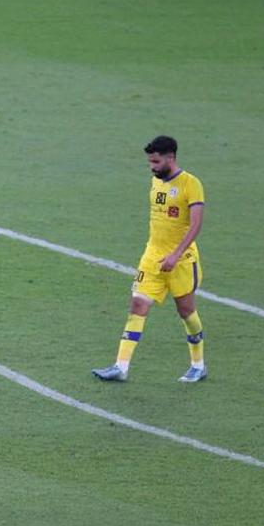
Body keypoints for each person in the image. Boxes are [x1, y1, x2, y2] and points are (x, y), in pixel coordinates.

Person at [93, 136, 207, 383]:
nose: (152, 167)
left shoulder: (191, 184)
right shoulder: (156, 181)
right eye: (150, 162)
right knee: (137, 305)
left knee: (186, 311)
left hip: (181, 260)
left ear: (170, 157)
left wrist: (175, 255)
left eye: (156, 162)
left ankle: (198, 364)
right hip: (152, 257)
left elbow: (196, 224)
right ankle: (120, 367)